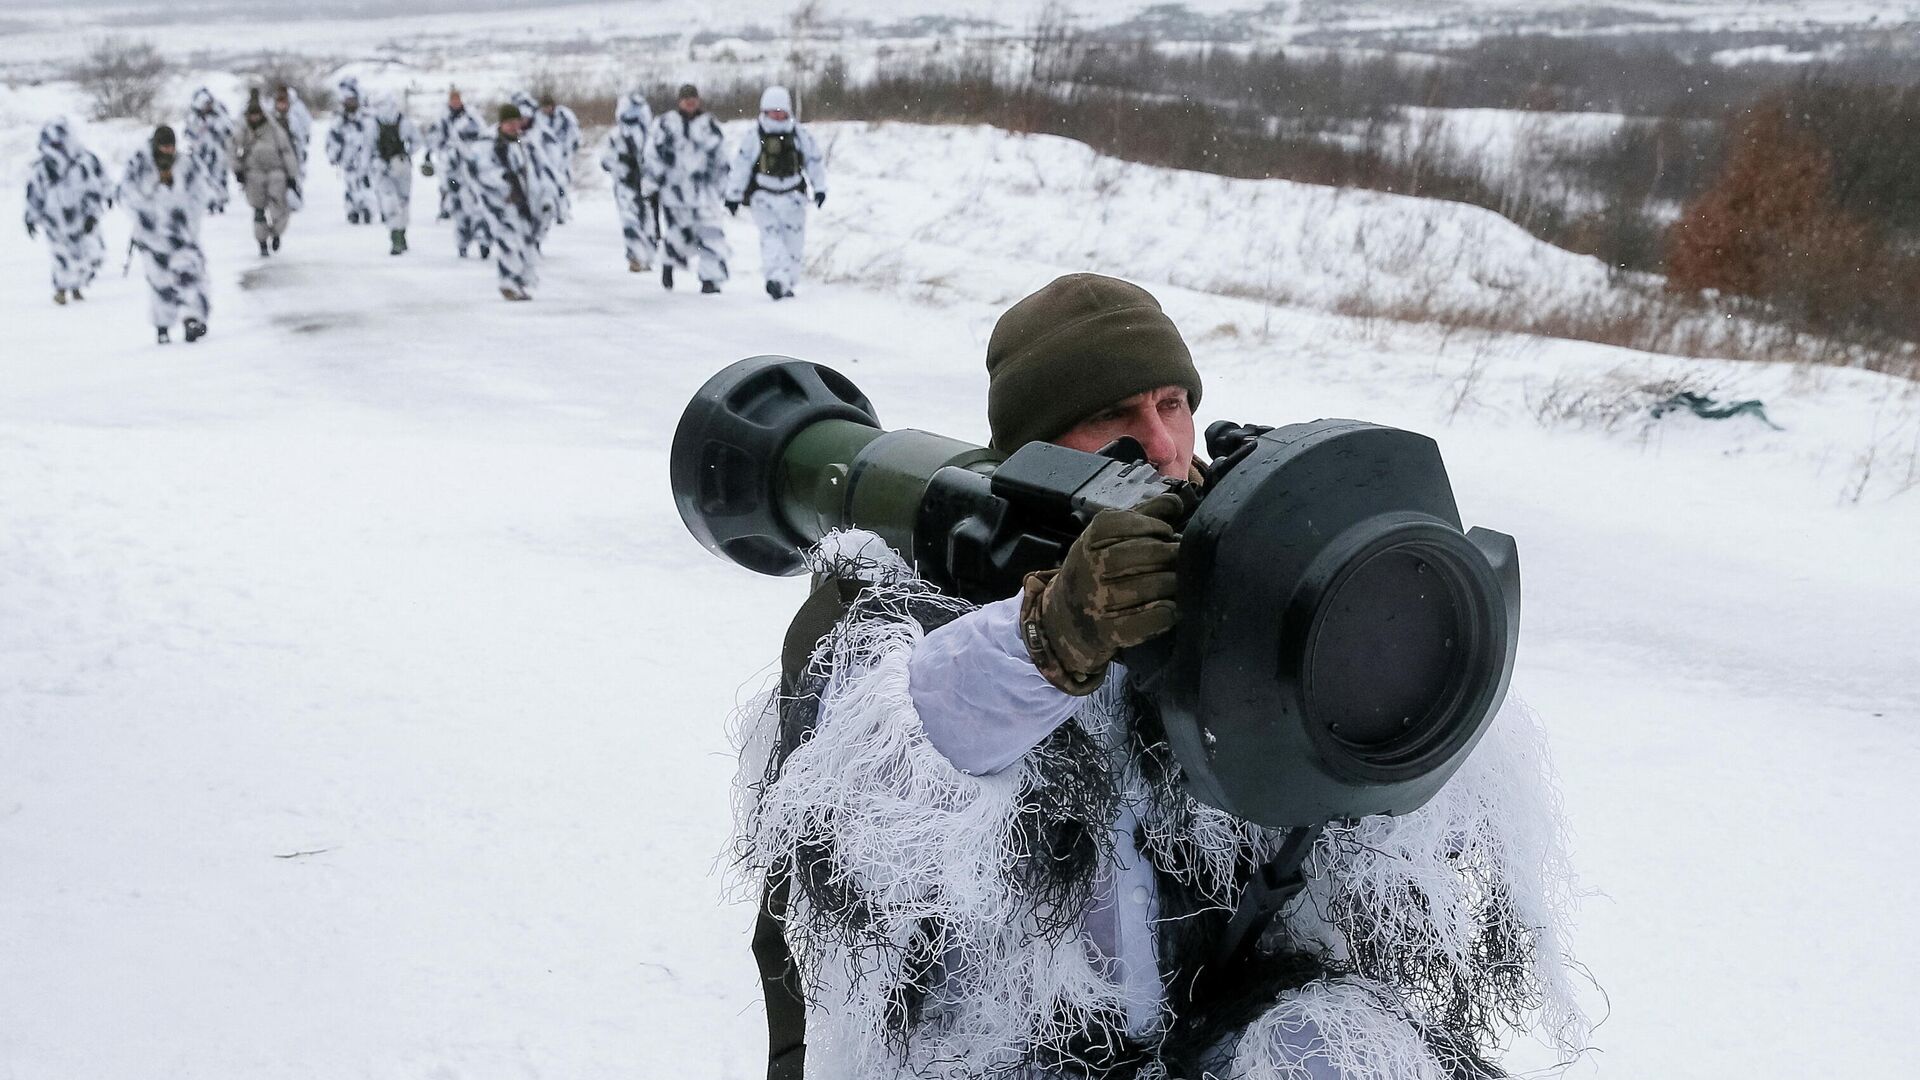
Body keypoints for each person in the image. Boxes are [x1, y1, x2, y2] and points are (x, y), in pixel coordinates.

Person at [733, 274, 1588, 1079]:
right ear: (1035, 452)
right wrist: (1050, 637)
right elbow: (901, 786)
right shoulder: (918, 606)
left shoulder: (1241, 569)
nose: (1163, 444)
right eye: (1112, 417)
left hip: (1204, 1035)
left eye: (1172, 404)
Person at [724, 85, 827, 301]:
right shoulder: (755, 136)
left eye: (781, 111)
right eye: (773, 111)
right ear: (764, 111)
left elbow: (814, 161)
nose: (778, 115)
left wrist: (820, 188)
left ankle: (787, 282)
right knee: (771, 239)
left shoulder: (799, 135)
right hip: (764, 197)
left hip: (793, 197)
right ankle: (775, 279)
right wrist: (733, 195)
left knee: (794, 245)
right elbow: (741, 166)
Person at [117, 125, 212, 344]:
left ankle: (192, 320)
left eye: (172, 146)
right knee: (160, 283)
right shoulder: (140, 165)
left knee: (190, 276)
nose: (169, 150)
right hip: (152, 236)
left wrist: (189, 220)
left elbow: (199, 195)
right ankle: (162, 325)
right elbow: (127, 195)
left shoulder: (186, 165)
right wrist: (151, 199)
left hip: (182, 234)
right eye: (164, 146)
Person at [642, 83, 730, 294]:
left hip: (703, 191)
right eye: (686, 99)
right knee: (678, 235)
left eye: (693, 98)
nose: (690, 102)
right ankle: (669, 263)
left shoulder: (709, 126)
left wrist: (726, 188)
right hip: (675, 190)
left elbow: (721, 158)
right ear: (679, 101)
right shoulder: (665, 125)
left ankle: (710, 279)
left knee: (711, 233)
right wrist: (651, 185)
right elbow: (652, 155)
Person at [464, 103, 550, 302]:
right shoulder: (489, 145)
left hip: (523, 202)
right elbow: (481, 171)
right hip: (500, 204)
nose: (513, 126)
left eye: (516, 122)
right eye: (509, 123)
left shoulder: (524, 144)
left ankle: (519, 282)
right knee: (508, 242)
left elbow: (536, 172)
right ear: (501, 123)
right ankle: (508, 284)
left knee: (524, 242)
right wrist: (503, 184)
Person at [22, 117, 112, 306]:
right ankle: (61, 290)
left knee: (84, 252)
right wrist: (30, 217)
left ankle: (78, 286)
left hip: (80, 217)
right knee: (60, 254)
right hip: (54, 219)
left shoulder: (82, 163)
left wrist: (93, 213)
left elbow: (94, 187)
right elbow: (35, 194)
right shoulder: (43, 168)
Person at [423, 87, 491, 258]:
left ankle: (483, 240)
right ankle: (462, 242)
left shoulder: (471, 116)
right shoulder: (443, 118)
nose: (455, 102)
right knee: (457, 205)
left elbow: (484, 134)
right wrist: (431, 152)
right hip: (451, 166)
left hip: (473, 165)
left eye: (457, 99)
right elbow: (434, 138)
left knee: (478, 204)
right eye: (452, 99)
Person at [231, 91, 300, 256]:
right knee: (259, 210)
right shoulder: (243, 130)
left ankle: (276, 233)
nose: (254, 118)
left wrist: (292, 175)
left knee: (280, 209)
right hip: (253, 174)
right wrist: (237, 170)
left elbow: (286, 151)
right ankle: (261, 242)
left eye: (257, 115)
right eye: (251, 115)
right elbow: (233, 149)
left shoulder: (274, 128)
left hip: (276, 172)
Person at [596, 88, 656, 273]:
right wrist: (622, 165)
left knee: (646, 221)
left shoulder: (649, 135)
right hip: (626, 183)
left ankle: (646, 257)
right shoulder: (618, 136)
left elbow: (656, 158)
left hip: (644, 183)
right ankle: (636, 257)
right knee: (632, 220)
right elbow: (606, 161)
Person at [510, 91, 571, 227]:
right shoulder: (511, 133)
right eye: (520, 118)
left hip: (545, 167)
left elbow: (556, 150)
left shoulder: (543, 130)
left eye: (526, 117)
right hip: (521, 174)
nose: (523, 121)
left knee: (557, 186)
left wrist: (563, 155)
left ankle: (559, 210)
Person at [370, 95, 421, 255]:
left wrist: (405, 154)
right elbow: (368, 147)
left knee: (402, 202)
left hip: (399, 167)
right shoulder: (374, 125)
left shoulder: (403, 123)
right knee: (391, 202)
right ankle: (396, 238)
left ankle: (401, 234)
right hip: (385, 167)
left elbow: (417, 141)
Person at [325, 77, 377, 225]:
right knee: (350, 186)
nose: (350, 103)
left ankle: (368, 209)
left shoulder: (367, 118)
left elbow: (374, 138)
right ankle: (352, 211)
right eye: (347, 100)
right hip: (348, 161)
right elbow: (331, 141)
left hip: (366, 161)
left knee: (367, 185)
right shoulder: (339, 121)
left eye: (353, 100)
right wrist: (333, 155)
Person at [183, 87, 235, 215]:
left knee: (219, 176)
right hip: (201, 153)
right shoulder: (194, 117)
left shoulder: (219, 114)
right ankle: (208, 202)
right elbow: (189, 133)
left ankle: (220, 201)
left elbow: (229, 130)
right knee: (203, 178)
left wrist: (215, 127)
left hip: (218, 152)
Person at [272, 85, 313, 211]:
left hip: (293, 153)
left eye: (284, 103)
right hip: (277, 153)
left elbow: (302, 132)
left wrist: (302, 149)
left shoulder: (294, 116)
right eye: (279, 103)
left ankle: (294, 199)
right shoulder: (272, 118)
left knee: (294, 177)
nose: (281, 106)